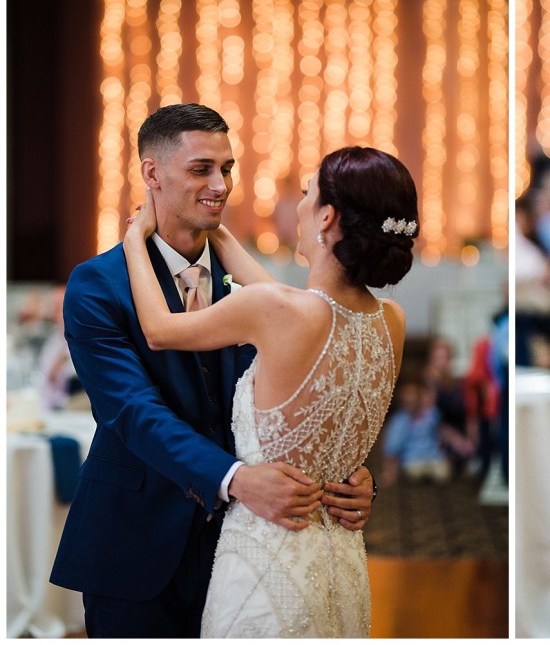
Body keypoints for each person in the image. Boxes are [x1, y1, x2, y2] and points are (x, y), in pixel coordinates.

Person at [50, 104, 376, 638]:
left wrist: (345, 474)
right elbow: (132, 412)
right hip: (136, 545)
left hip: (249, 547)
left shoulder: (253, 284)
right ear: (152, 174)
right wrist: (236, 479)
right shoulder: (98, 284)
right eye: (202, 169)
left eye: (227, 168)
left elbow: (307, 393)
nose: (221, 185)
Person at [122, 142, 417, 637]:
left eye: (307, 193)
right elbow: (288, 304)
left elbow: (158, 329)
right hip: (339, 560)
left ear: (326, 217)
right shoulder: (391, 322)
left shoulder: (278, 312)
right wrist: (213, 226)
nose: (299, 204)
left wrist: (136, 238)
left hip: (265, 562)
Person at [381, 380, 451, 485]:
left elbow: (441, 431)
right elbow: (392, 448)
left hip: (432, 456)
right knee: (415, 472)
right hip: (412, 458)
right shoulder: (400, 420)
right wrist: (390, 472)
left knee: (443, 473)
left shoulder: (431, 414)